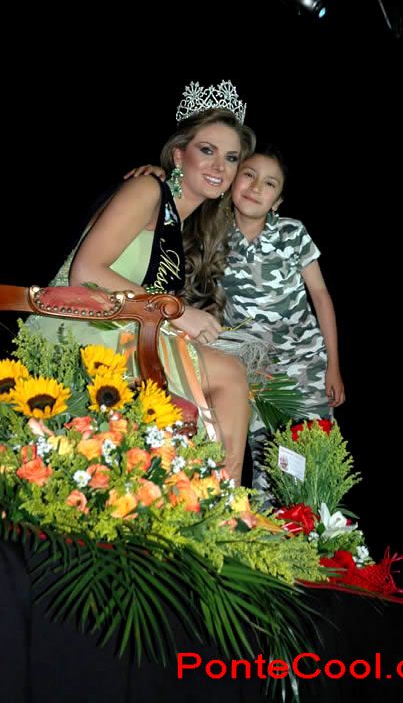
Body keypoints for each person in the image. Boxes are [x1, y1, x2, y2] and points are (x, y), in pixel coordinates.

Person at [26, 80, 256, 485]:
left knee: (228, 380)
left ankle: (208, 496)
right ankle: (228, 502)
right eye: (207, 150)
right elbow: (86, 272)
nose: (220, 166)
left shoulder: (180, 224)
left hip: (120, 327)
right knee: (231, 375)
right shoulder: (147, 189)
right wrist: (178, 314)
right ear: (179, 154)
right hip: (76, 323)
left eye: (231, 157)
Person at [126, 144, 345, 491]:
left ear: (277, 201)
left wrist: (333, 365)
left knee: (311, 463)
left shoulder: (292, 233)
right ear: (231, 181)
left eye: (269, 183)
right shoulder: (210, 231)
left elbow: (321, 296)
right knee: (266, 466)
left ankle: (316, 524)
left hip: (304, 366)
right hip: (250, 371)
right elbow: (176, 202)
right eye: (249, 175)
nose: (256, 187)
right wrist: (160, 177)